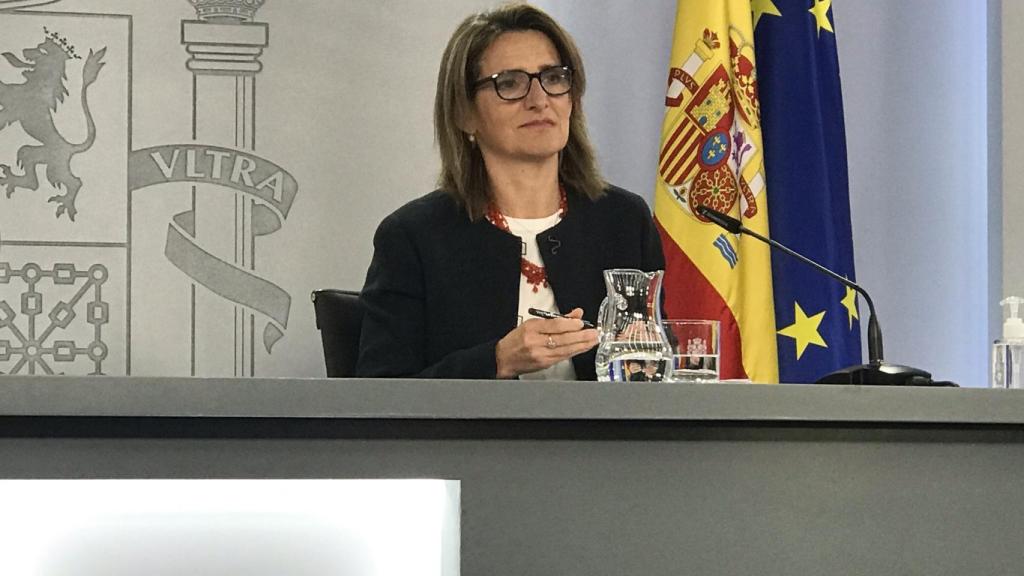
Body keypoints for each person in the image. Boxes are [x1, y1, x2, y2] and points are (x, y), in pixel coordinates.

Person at [356, 2, 664, 380]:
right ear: (464, 113)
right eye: (511, 84)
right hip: (469, 441)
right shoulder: (414, 237)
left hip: (606, 441)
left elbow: (658, 372)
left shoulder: (623, 221)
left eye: (553, 78)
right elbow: (378, 401)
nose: (539, 100)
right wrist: (497, 361)